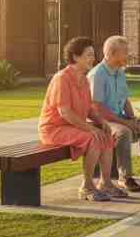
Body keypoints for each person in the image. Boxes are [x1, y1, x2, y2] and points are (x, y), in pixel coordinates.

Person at [38, 37, 126, 201]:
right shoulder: (62, 78)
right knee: (93, 138)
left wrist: (101, 123)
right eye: (88, 55)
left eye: (93, 55)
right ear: (76, 57)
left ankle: (105, 183)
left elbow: (89, 109)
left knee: (106, 135)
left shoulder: (84, 79)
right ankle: (86, 187)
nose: (93, 59)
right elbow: (65, 112)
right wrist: (91, 128)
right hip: (54, 128)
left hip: (72, 127)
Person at [88, 35, 140, 192]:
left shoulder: (119, 72)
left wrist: (133, 119)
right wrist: (126, 124)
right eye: (125, 52)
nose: (128, 55)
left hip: (118, 118)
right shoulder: (97, 74)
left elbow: (125, 100)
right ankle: (124, 177)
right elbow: (97, 108)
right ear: (112, 53)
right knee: (124, 132)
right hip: (100, 120)